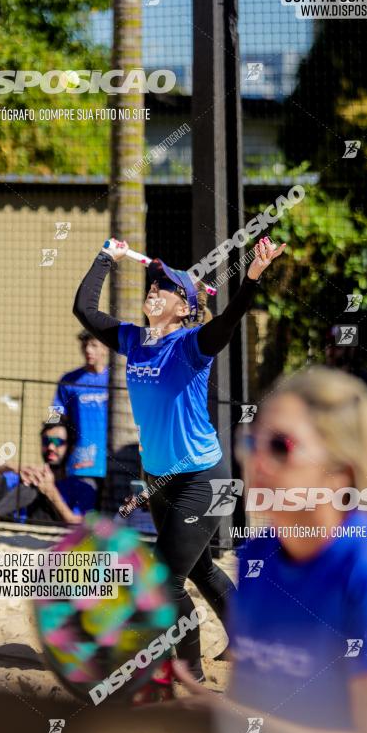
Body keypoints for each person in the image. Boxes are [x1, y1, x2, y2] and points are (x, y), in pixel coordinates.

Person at [173, 367, 367, 733]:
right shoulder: (259, 554)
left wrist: (238, 725)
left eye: (280, 446)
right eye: (251, 441)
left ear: (340, 470)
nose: (258, 461)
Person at [73, 235, 286, 681]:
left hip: (203, 478)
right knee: (199, 566)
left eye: (165, 288)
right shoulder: (134, 339)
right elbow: (85, 310)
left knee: (164, 581)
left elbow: (228, 320)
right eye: (152, 285)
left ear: (186, 306)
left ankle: (191, 674)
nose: (153, 289)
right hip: (160, 477)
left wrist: (251, 278)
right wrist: (105, 259)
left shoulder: (192, 344)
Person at [0, 416, 97, 524]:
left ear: (70, 447)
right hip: (5, 525)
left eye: (57, 442)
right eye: (46, 442)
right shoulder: (30, 471)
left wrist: (51, 491)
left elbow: (77, 524)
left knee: (34, 483)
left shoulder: (82, 486)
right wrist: (11, 467)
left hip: (42, 535)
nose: (51, 447)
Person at [52, 330, 109, 497]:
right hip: (81, 459)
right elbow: (55, 414)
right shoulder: (69, 380)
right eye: (84, 345)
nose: (88, 350)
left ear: (105, 349)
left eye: (93, 345)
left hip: (112, 461)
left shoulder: (117, 379)